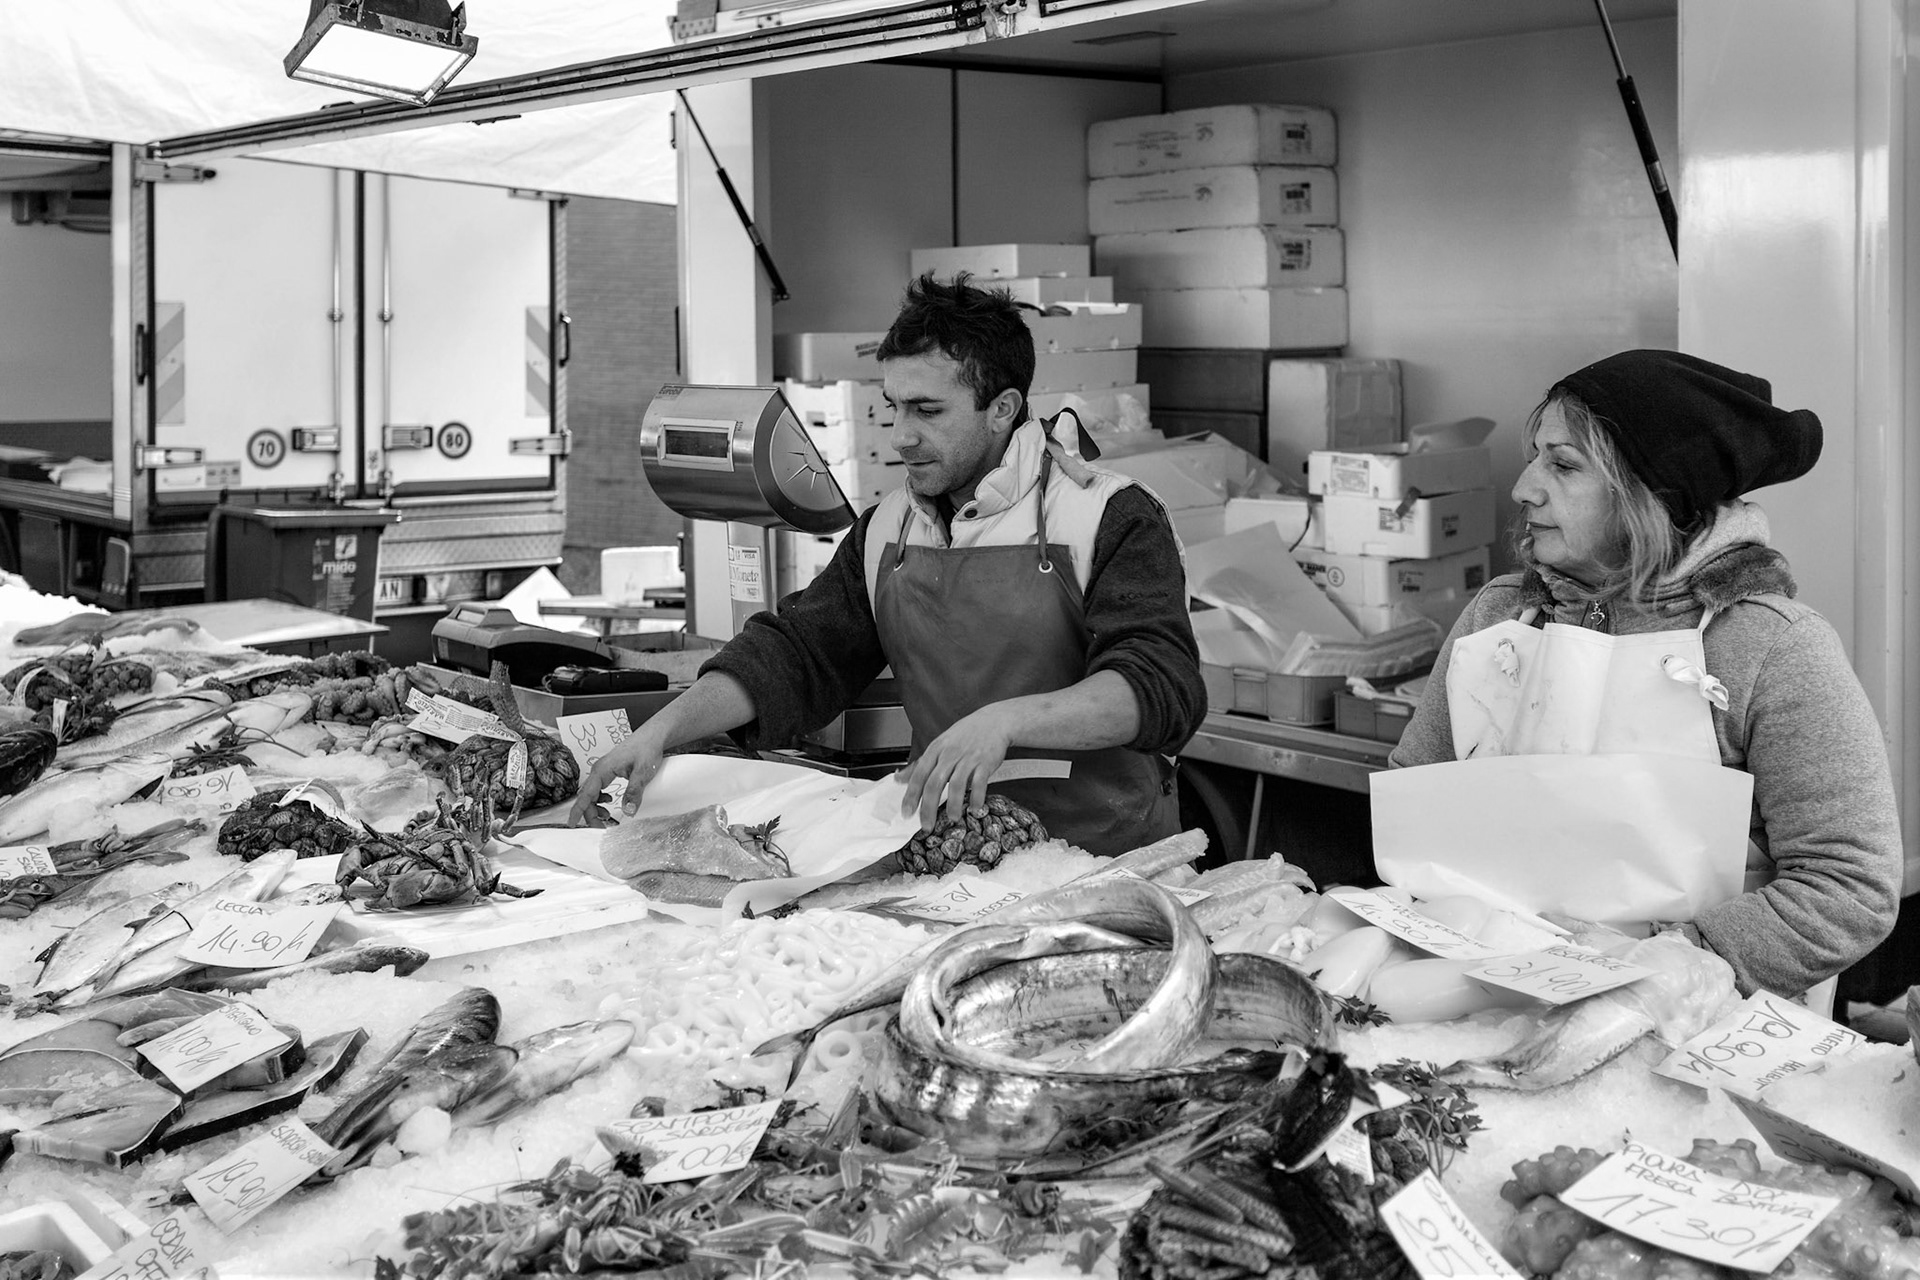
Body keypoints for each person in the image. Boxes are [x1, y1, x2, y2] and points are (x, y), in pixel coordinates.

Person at [569, 272, 1207, 856]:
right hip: (953, 858)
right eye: (892, 408)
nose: (901, 435)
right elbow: (795, 655)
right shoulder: (884, 529)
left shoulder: (1109, 515)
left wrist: (1006, 721)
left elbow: (1160, 687)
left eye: (927, 412)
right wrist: (662, 730)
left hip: (1108, 857)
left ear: (1003, 409)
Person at [1387, 349, 1901, 999]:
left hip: (1700, 1032)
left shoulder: (1775, 649)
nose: (1523, 488)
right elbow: (1418, 807)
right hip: (1488, 1001)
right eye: (1534, 456)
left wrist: (1661, 963)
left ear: (1651, 498)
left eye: (1564, 465)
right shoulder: (1498, 618)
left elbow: (1849, 889)